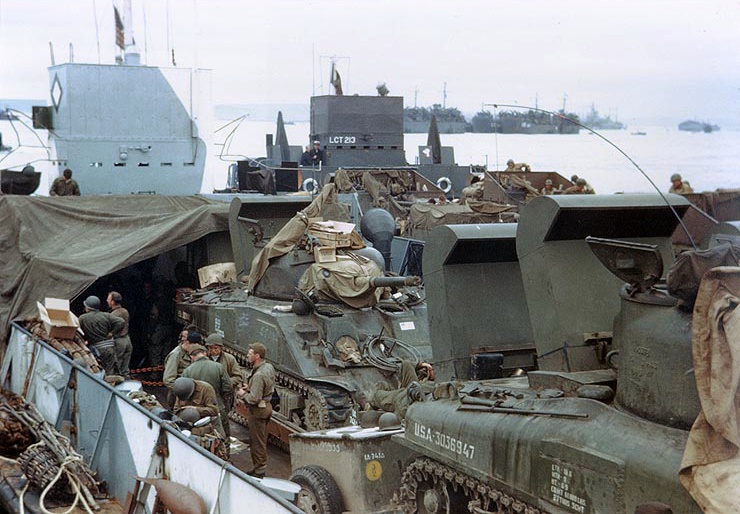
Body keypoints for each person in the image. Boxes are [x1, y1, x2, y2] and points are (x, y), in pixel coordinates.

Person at [235, 343, 275, 478]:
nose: (247, 355)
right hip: (266, 407)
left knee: (256, 442)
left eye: (250, 353)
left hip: (258, 411)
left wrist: (242, 393)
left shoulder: (258, 375)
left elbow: (254, 399)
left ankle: (259, 470)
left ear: (257, 356)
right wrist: (251, 386)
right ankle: (260, 466)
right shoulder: (267, 367)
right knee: (261, 439)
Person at [182, 344, 233, 440]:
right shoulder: (218, 367)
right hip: (217, 406)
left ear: (191, 357)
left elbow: (184, 391)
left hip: (197, 410)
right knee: (223, 438)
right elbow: (228, 388)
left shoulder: (187, 371)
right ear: (205, 353)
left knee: (200, 438)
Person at [364, 360, 435, 419]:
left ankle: (371, 403)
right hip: (412, 389)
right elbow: (406, 364)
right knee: (382, 385)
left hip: (407, 397)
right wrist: (422, 365)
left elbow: (402, 409)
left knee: (377, 393)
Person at [78, 295, 125, 375]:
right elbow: (121, 322)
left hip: (95, 350)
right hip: (109, 348)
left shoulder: (82, 318)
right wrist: (112, 333)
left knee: (98, 373)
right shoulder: (106, 315)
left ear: (87, 307)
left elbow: (79, 332)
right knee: (111, 372)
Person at [163, 329, 200, 406]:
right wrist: (183, 390)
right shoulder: (175, 355)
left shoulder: (190, 353)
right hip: (178, 396)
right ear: (187, 342)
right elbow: (168, 380)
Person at [107, 291, 133, 378]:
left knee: (117, 367)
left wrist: (111, 333)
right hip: (127, 340)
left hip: (119, 341)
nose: (107, 300)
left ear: (112, 302)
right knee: (125, 368)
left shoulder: (114, 314)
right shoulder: (125, 311)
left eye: (109, 299)